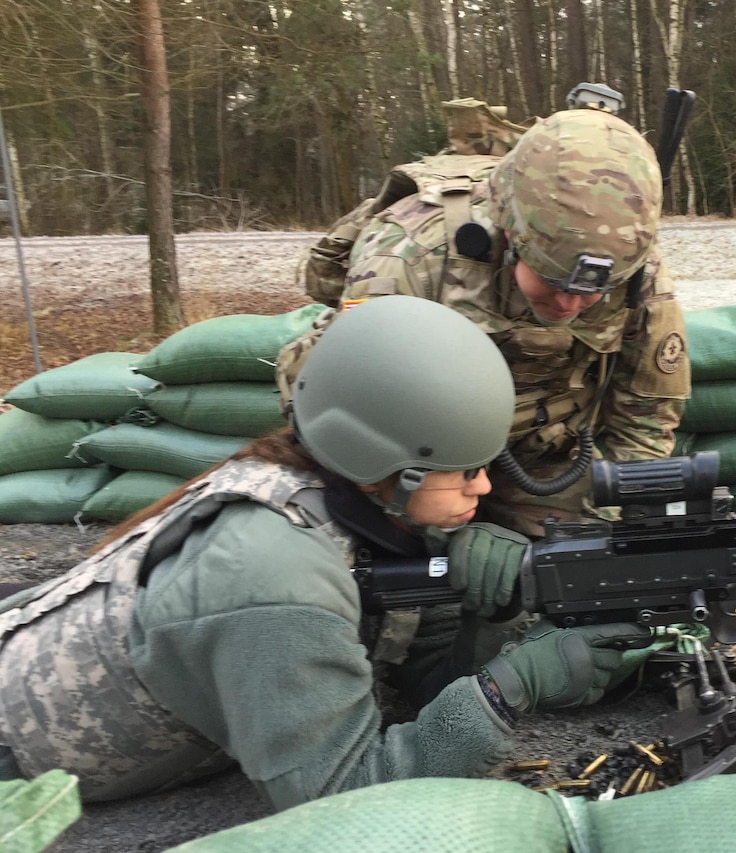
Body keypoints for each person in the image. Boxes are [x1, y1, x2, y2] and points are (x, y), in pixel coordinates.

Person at [0, 296, 651, 810]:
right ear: (382, 463)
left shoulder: (358, 499)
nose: (484, 487)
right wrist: (514, 685)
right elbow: (341, 803)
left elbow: (415, 683)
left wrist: (485, 614)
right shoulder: (277, 576)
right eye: (465, 471)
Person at [290, 104, 691, 537]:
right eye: (552, 279)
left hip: (541, 460)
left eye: (593, 290)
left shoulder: (635, 274)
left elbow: (645, 420)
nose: (571, 303)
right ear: (508, 236)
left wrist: (608, 531)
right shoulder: (408, 258)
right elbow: (350, 412)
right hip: (414, 459)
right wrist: (429, 532)